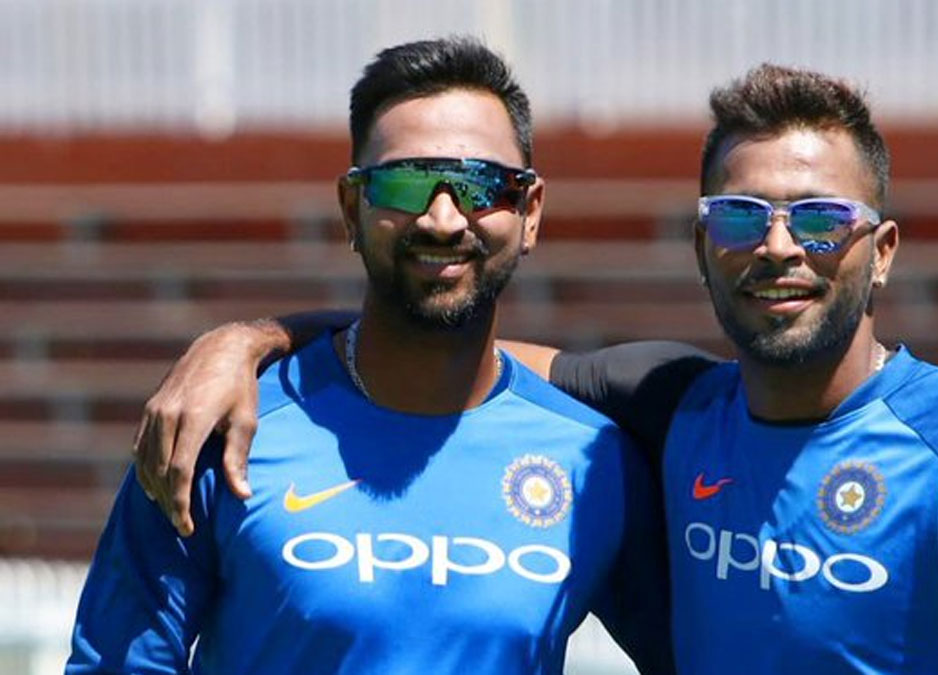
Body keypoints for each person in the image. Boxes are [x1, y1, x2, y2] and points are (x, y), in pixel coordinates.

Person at [133, 64, 938, 673]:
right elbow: (437, 342)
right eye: (737, 216)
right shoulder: (669, 405)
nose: (777, 247)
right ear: (700, 244)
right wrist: (245, 342)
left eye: (819, 220)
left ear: (882, 249)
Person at [69, 37, 673, 675]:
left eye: (481, 186)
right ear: (352, 208)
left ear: (530, 213)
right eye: (405, 183)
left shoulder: (596, 461)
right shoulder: (222, 429)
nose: (442, 218)